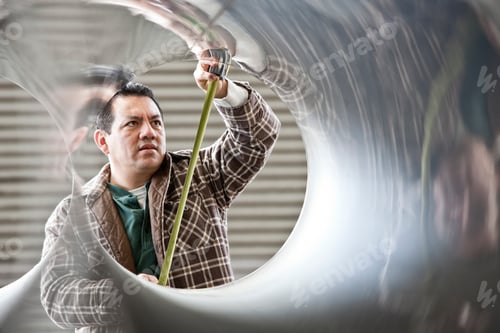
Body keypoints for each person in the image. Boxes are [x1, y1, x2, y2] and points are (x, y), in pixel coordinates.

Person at [40, 54, 281, 332]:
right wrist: (123, 294)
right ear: (103, 141)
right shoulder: (72, 214)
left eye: (156, 122)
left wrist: (224, 89)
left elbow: (258, 137)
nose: (148, 132)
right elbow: (56, 294)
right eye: (132, 123)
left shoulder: (201, 174)